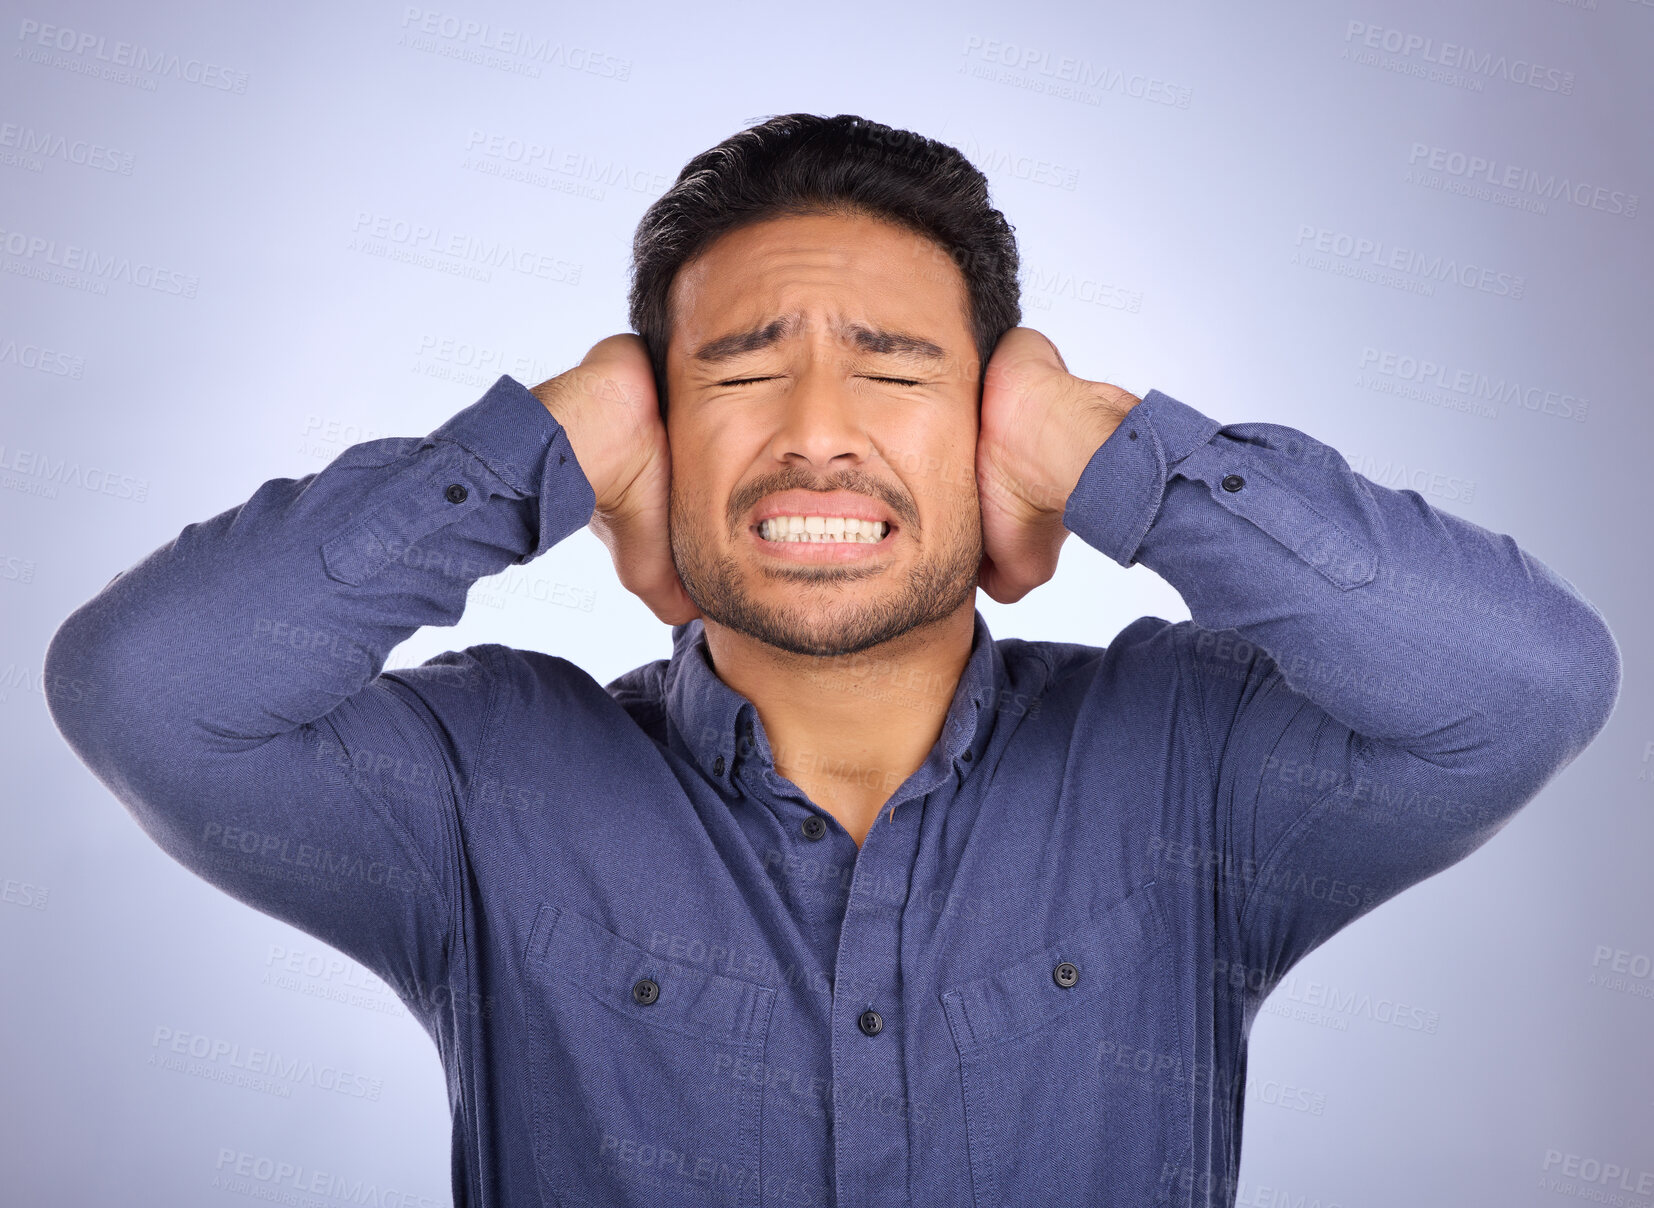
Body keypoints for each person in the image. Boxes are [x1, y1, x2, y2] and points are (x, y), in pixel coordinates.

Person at [43, 113, 1621, 1208]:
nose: (812, 432)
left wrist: (1099, 446)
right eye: (732, 369)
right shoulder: (483, 792)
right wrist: (549, 436)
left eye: (894, 369)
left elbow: (1516, 686)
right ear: (655, 438)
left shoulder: (1185, 765)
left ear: (991, 424)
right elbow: (151, 692)